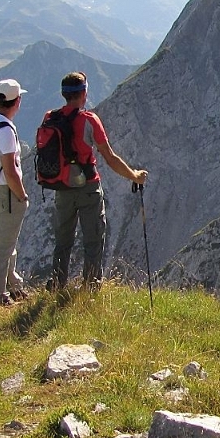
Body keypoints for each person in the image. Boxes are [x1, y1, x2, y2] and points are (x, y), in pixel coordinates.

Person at [48, 71, 147, 290]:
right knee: (93, 239)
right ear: (83, 93)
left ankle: (56, 285)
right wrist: (134, 176)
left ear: (64, 94)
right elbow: (109, 157)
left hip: (61, 187)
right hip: (87, 188)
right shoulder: (89, 121)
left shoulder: (50, 118)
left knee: (63, 240)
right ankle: (91, 288)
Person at [0, 78, 29, 306]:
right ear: (17, 101)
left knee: (7, 241)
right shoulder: (7, 132)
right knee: (2, 247)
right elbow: (11, 171)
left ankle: (14, 285)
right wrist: (22, 195)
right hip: (7, 195)